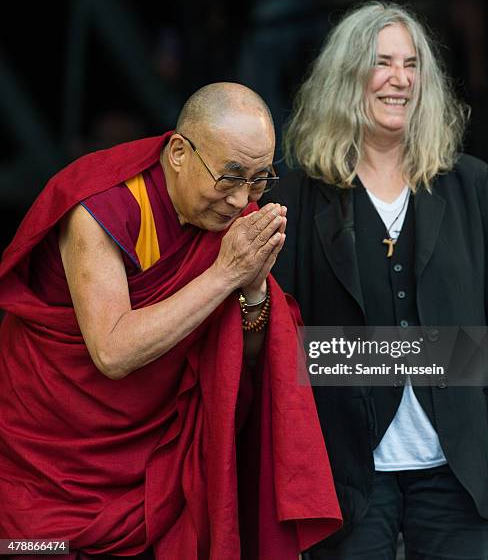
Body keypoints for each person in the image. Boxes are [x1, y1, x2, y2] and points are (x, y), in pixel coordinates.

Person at [0, 83, 342, 558]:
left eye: (260, 179)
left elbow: (250, 361)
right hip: (51, 469)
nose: (242, 198)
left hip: (157, 475)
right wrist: (226, 275)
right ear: (180, 152)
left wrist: (254, 289)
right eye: (230, 177)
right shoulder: (100, 206)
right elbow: (112, 351)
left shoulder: (234, 226)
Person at [261, 2, 488, 559]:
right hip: (345, 476)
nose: (401, 79)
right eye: (383, 62)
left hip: (457, 473)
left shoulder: (472, 185)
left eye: (412, 64)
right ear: (348, 76)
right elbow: (281, 345)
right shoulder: (297, 197)